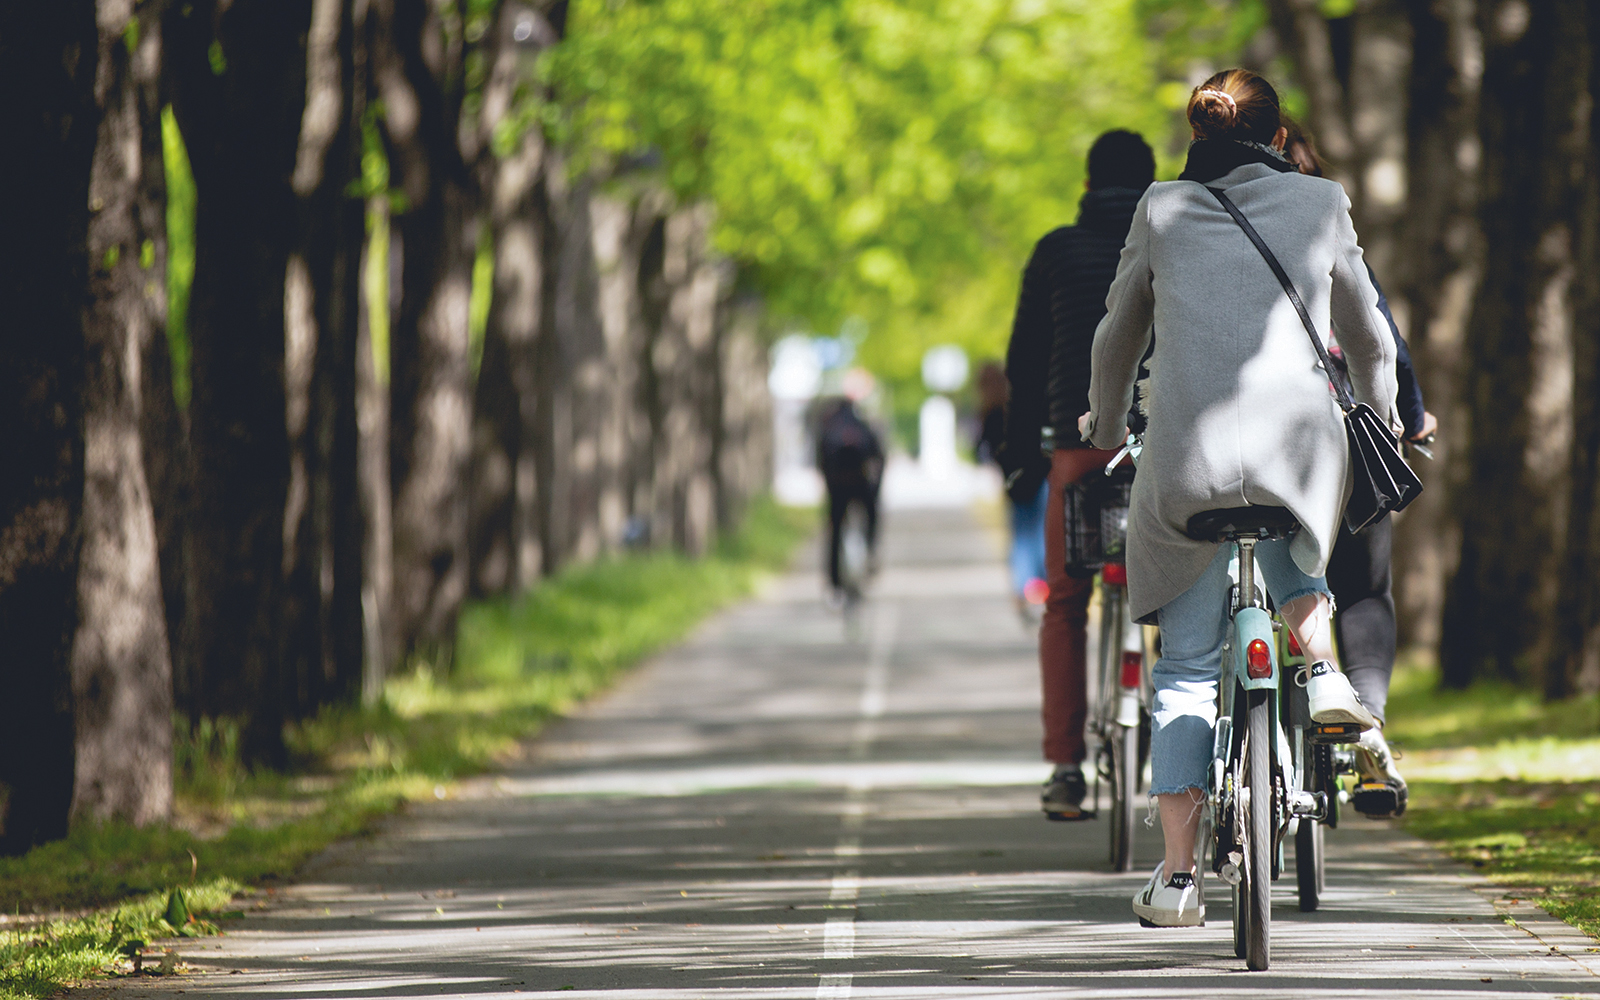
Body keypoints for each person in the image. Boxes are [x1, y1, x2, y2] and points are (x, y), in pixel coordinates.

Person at [1081, 68, 1397, 926]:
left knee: (1183, 670)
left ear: (1198, 133)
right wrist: (1385, 416)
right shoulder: (1322, 201)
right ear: (1275, 129)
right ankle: (1324, 670)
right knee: (1303, 531)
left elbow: (1118, 333)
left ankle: (1179, 879)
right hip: (1300, 452)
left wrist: (1106, 424)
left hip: (1187, 457)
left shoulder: (1162, 208)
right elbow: (1369, 335)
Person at [1000, 129, 1156, 820]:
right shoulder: (1173, 240)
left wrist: (1021, 456)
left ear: (1087, 186)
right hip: (1162, 447)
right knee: (1187, 604)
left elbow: (1025, 361)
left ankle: (1065, 766)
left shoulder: (1056, 251)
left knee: (1065, 604)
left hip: (1078, 444)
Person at [1283, 122, 1437, 819]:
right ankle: (1368, 720)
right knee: (1366, 589)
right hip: (1344, 429)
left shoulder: (1202, 222)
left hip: (1253, 451)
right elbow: (1379, 334)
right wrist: (1407, 413)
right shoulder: (1322, 213)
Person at [976, 362, 1048, 622]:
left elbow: (982, 452)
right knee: (1039, 533)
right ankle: (1040, 586)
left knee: (1020, 535)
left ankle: (1023, 589)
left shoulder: (988, 413)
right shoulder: (1022, 405)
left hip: (1013, 482)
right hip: (1039, 475)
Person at [815, 396, 884, 600]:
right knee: (871, 515)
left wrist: (828, 487)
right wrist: (876, 488)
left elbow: (820, 462)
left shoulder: (830, 429)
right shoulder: (862, 426)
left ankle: (834, 583)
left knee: (834, 532)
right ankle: (871, 552)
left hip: (837, 489)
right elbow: (879, 457)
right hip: (861, 486)